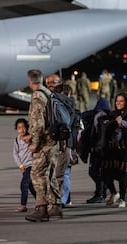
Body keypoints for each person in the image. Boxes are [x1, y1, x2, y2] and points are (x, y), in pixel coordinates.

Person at [24, 69, 58, 222]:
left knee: (36, 174)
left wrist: (34, 144)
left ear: (29, 81)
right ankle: (56, 205)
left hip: (44, 142)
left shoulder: (37, 96)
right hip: (53, 140)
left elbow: (38, 124)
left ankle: (41, 208)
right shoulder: (48, 93)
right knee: (49, 173)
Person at [99, 93, 127, 208]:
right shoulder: (112, 115)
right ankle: (114, 193)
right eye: (117, 101)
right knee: (105, 173)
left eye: (121, 101)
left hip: (125, 150)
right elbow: (104, 126)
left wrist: (121, 123)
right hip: (111, 150)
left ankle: (122, 199)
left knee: (123, 175)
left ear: (126, 103)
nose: (118, 103)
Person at [44, 74, 72, 218]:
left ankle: (57, 203)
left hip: (61, 145)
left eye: (53, 82)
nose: (50, 84)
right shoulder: (52, 100)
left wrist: (64, 143)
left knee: (58, 175)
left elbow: (64, 125)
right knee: (57, 175)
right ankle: (58, 202)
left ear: (60, 84)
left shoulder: (58, 102)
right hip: (56, 144)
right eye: (48, 82)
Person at [82, 98, 111, 203]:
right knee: (96, 171)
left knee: (95, 171)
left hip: (100, 149)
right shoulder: (98, 117)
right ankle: (101, 191)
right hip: (98, 149)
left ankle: (100, 193)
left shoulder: (101, 118)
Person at [12, 118, 36, 212]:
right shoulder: (17, 140)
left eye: (23, 127)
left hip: (31, 165)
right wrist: (20, 165)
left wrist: (32, 138)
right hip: (24, 166)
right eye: (19, 128)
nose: (21, 130)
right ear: (16, 129)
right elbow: (15, 154)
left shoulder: (31, 138)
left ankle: (23, 205)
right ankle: (41, 202)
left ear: (27, 128)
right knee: (30, 186)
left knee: (24, 184)